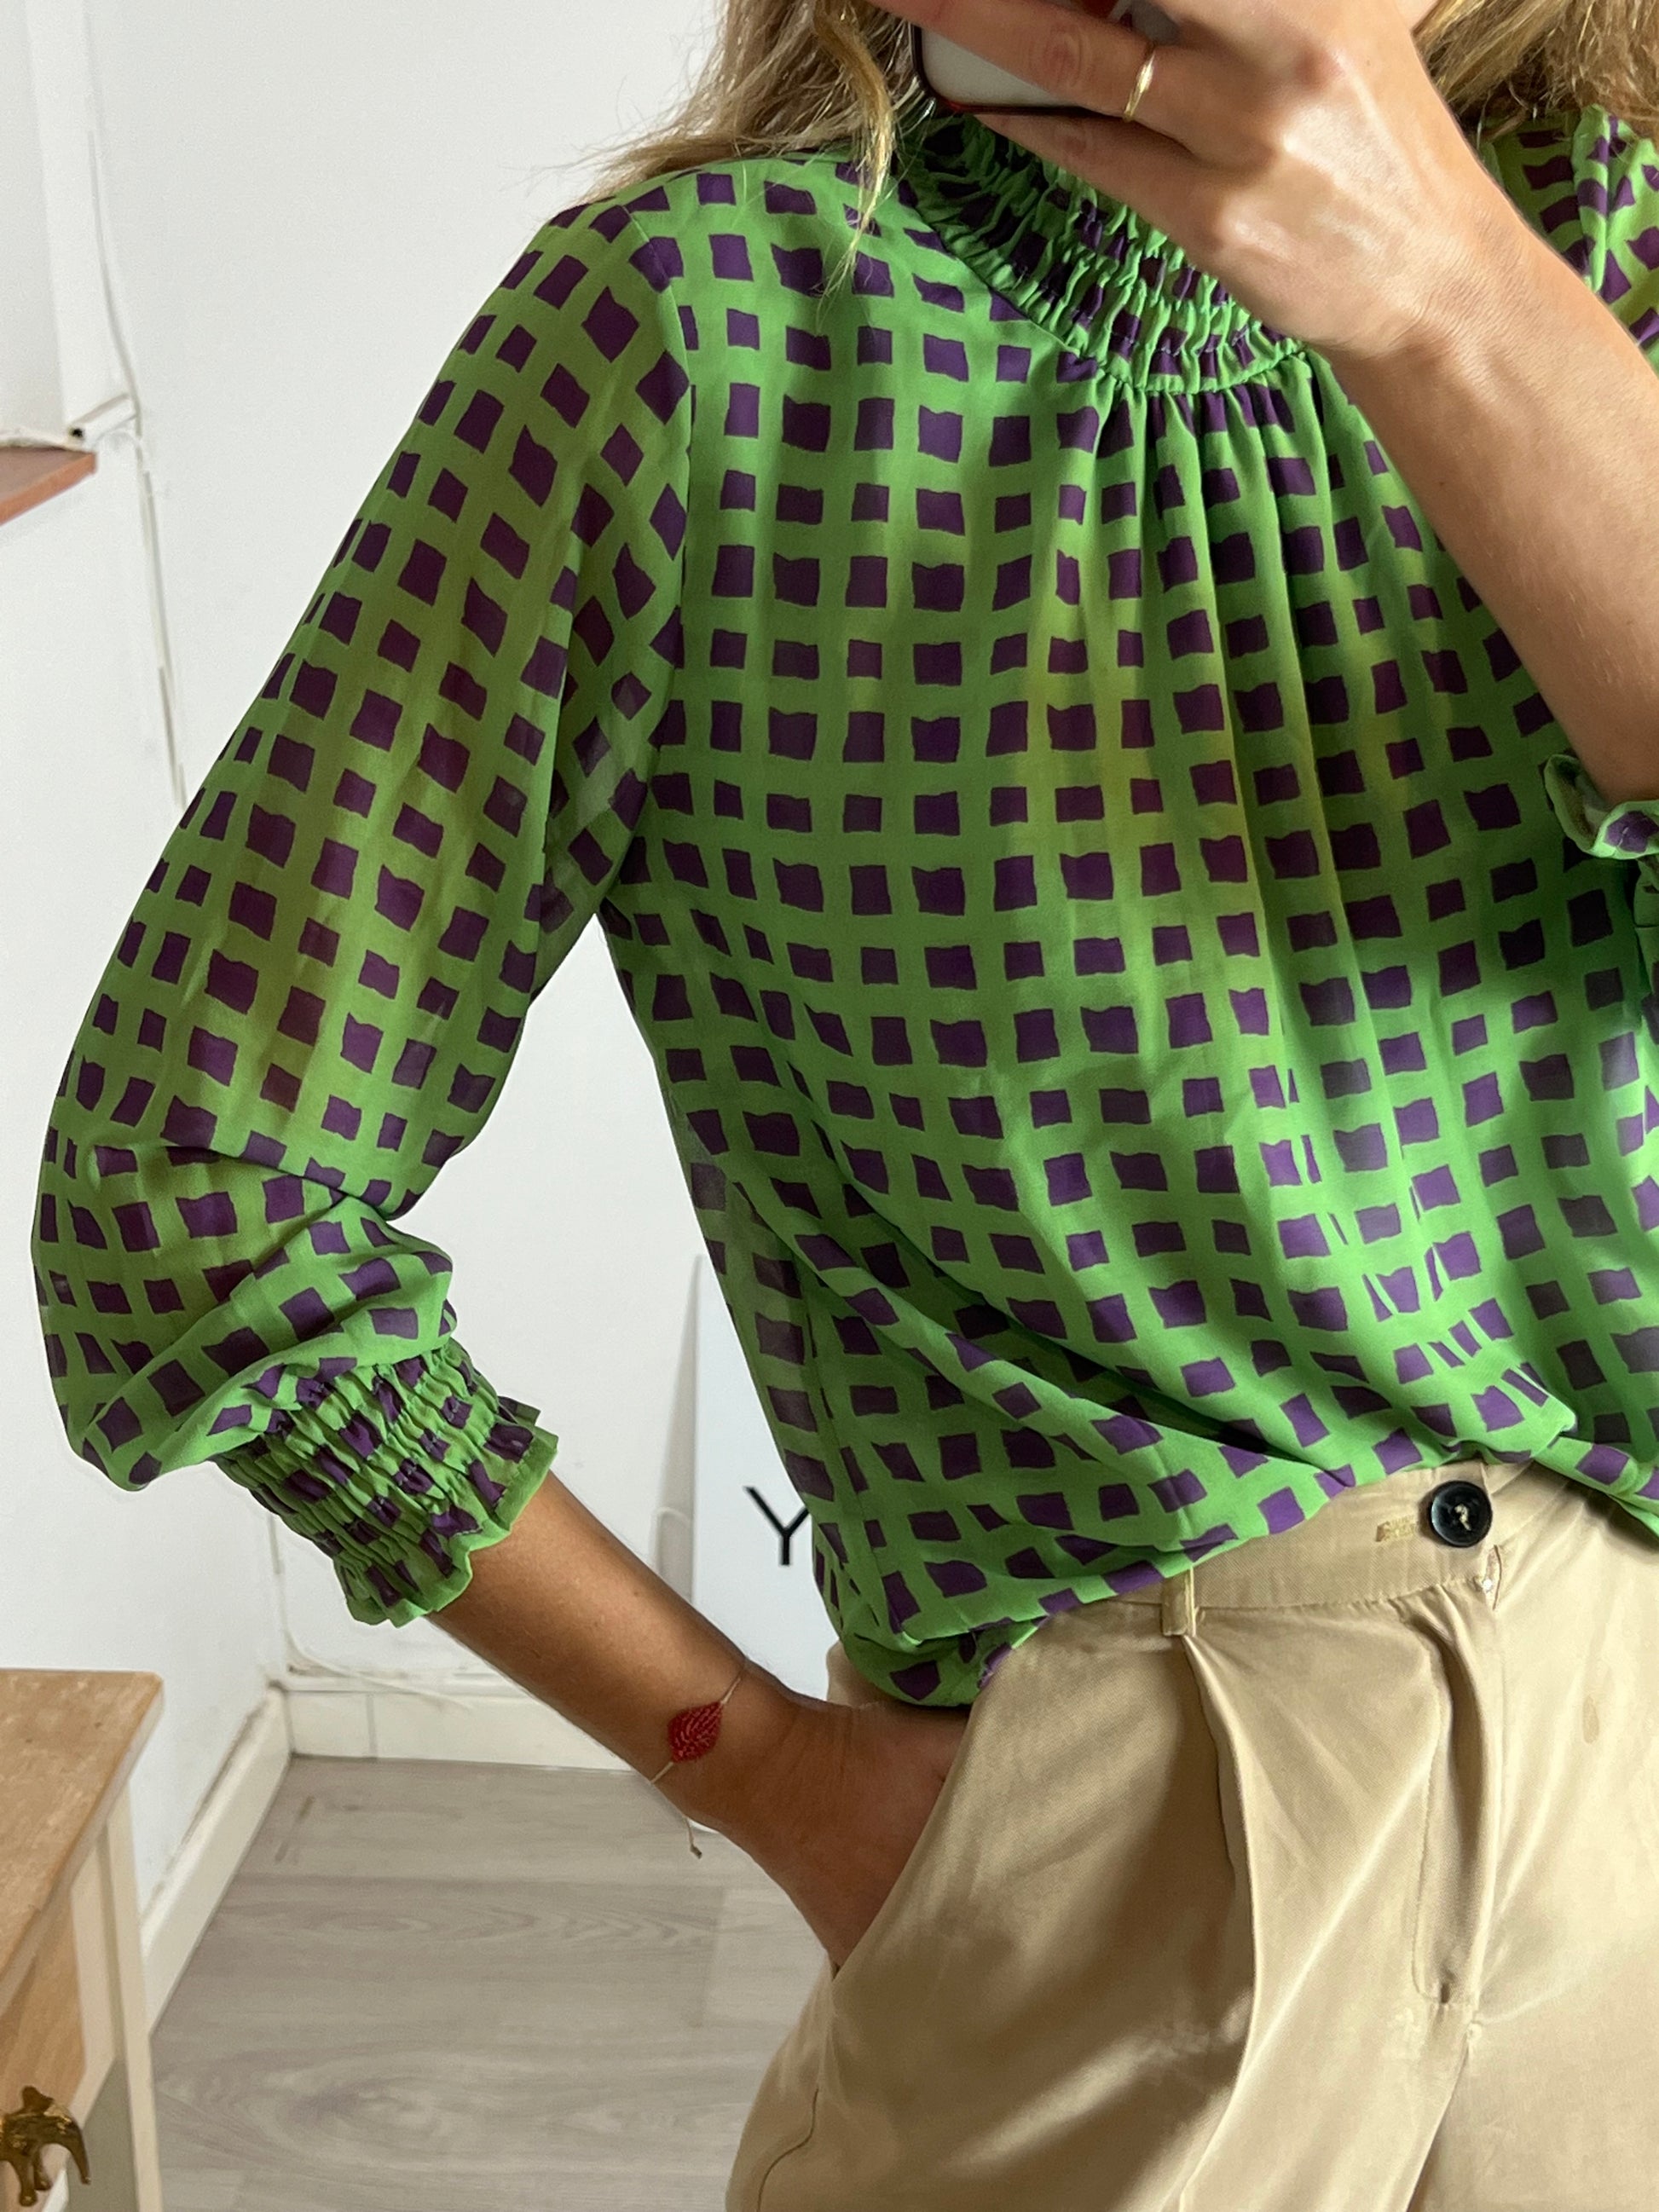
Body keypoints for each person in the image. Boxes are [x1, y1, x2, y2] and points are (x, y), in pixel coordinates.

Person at [29, 0, 1659, 2197]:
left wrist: (1456, 298)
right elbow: (184, 1189)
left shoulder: (1611, 264)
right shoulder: (704, 340)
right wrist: (774, 1776)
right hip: (1134, 1834)